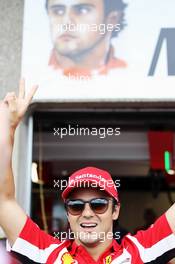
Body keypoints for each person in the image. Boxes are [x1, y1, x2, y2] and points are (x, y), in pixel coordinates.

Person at [1, 82, 175, 263]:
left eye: (98, 204)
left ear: (115, 210)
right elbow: (3, 200)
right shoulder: (48, 255)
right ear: (67, 213)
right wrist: (8, 128)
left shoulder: (141, 252)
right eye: (76, 206)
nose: (87, 212)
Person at [46, 0, 127, 77]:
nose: (66, 23)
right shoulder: (36, 74)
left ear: (112, 20)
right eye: (57, 11)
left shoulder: (131, 75)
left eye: (82, 10)